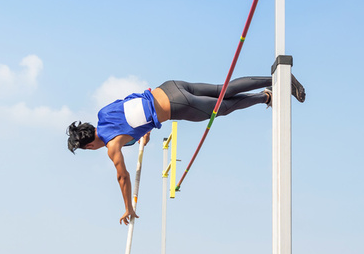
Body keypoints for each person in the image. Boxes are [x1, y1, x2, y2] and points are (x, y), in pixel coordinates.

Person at [67, 76, 306, 225]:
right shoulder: (103, 113)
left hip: (178, 106)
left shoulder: (112, 145)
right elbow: (132, 104)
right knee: (222, 88)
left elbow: (123, 177)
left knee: (223, 107)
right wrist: (144, 130)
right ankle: (277, 79)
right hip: (170, 86)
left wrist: (128, 208)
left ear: (89, 145)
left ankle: (265, 97)